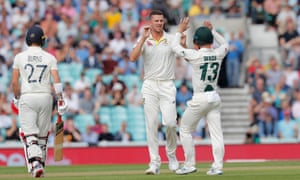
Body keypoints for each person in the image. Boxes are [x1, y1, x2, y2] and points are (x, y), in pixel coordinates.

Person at [171, 19, 228, 175]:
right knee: (216, 134)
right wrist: (213, 30)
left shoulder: (196, 55)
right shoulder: (218, 53)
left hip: (200, 98)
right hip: (214, 97)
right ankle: (218, 166)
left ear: (196, 42)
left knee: (184, 129)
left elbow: (174, 47)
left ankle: (189, 164)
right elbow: (225, 45)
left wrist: (179, 31)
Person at [11, 25, 68, 178]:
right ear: (42, 40)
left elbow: (15, 83)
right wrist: (61, 99)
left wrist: (16, 97)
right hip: (45, 97)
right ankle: (40, 167)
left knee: (30, 135)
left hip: (28, 96)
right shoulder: (50, 57)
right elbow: (56, 80)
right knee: (42, 136)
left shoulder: (19, 57)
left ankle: (35, 164)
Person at [129, 9, 180, 174]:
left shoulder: (171, 39)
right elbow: (132, 57)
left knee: (171, 123)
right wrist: (143, 39)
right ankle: (154, 162)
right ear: (150, 22)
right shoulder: (144, 39)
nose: (159, 23)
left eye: (161, 20)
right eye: (156, 21)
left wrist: (183, 41)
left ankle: (171, 156)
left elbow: (183, 52)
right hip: (150, 85)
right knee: (151, 125)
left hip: (167, 85)